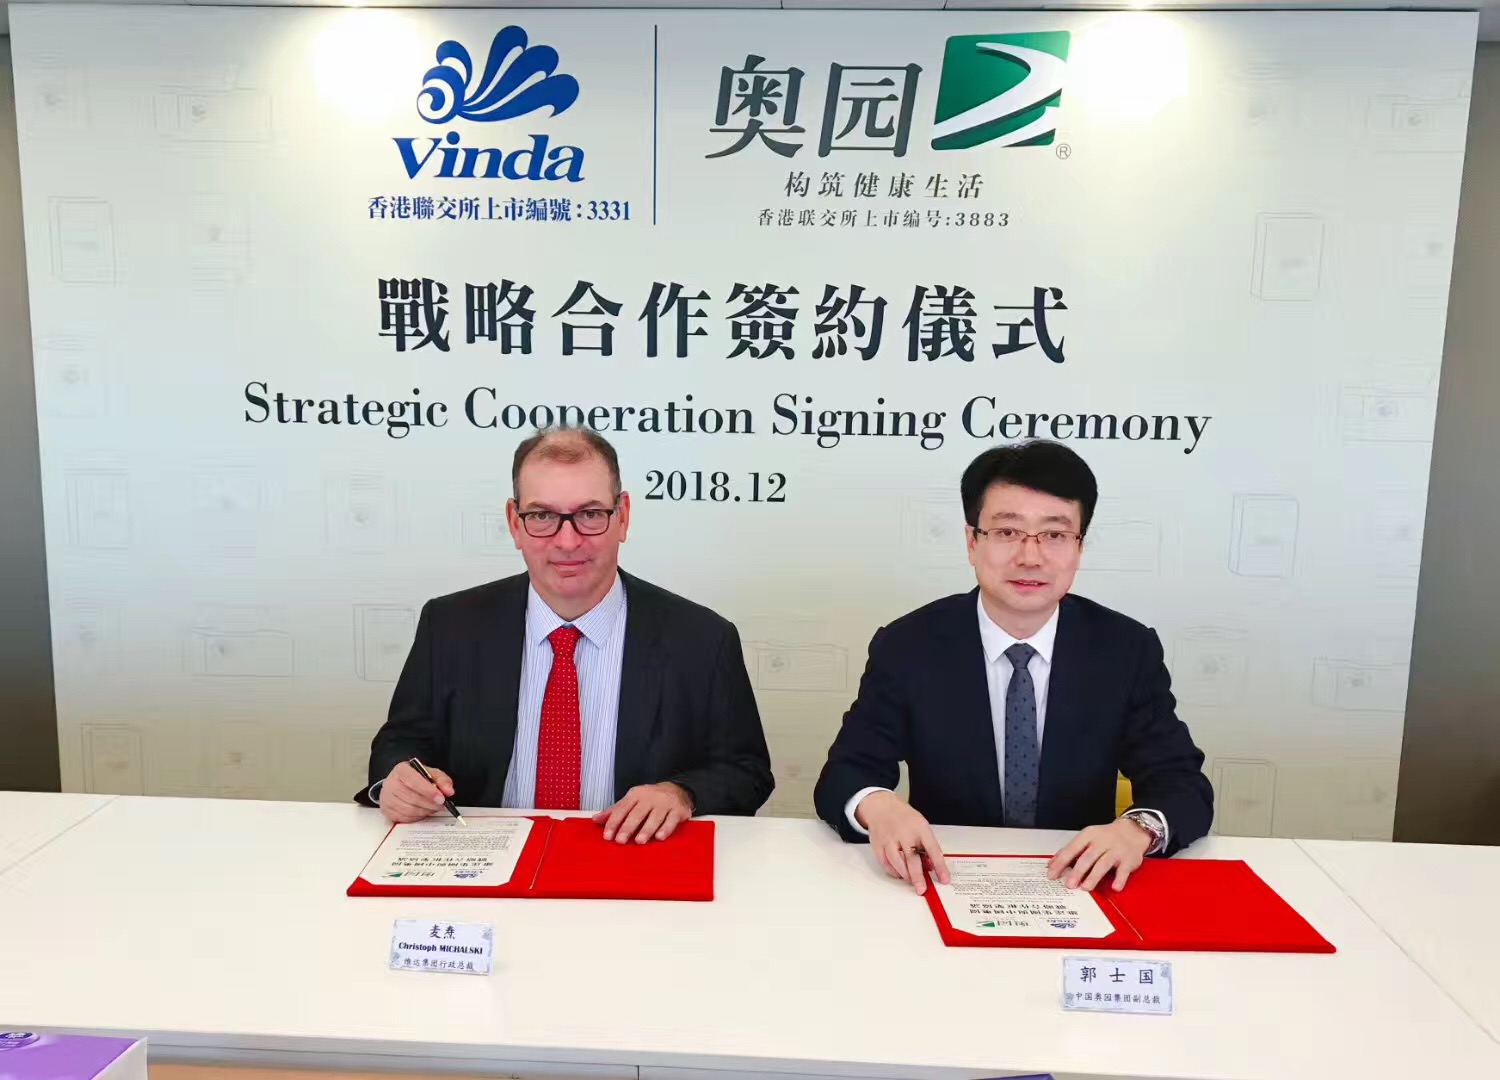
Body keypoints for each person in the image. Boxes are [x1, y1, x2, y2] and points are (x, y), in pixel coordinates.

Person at [813, 440, 1213, 894]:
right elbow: (845, 773)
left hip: (1078, 882)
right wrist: (880, 807)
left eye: (1055, 535)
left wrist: (1136, 830)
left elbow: (1181, 782)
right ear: (972, 542)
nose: (1030, 557)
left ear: (1079, 547)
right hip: (945, 879)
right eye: (1007, 532)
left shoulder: (1125, 649)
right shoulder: (909, 645)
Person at [359, 426, 774, 843]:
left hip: (632, 856)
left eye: (590, 514)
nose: (568, 540)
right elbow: (401, 742)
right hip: (485, 856)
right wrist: (399, 781)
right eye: (542, 516)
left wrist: (682, 793)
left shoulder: (702, 639)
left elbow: (747, 771)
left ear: (623, 516)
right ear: (515, 523)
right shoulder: (450, 625)